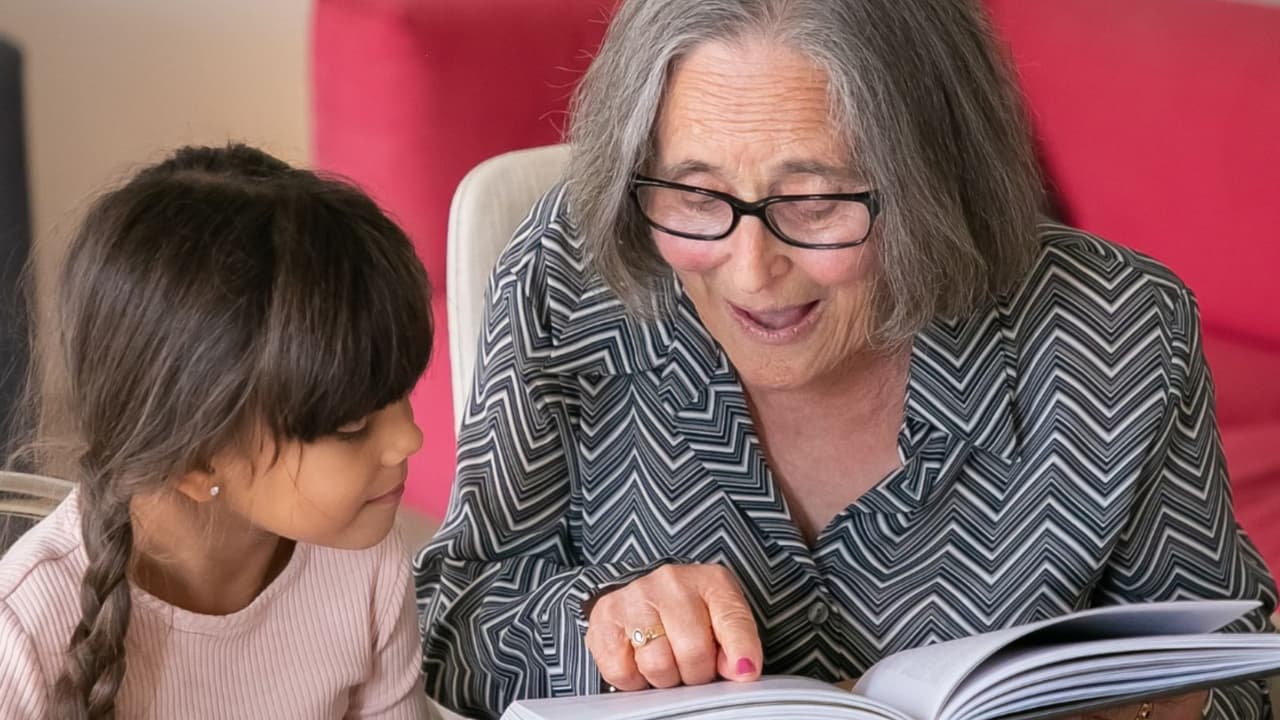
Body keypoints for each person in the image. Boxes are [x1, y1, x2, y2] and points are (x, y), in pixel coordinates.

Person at [413, 0, 1277, 718]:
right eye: (693, 195)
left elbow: (1242, 666)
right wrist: (597, 626)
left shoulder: (1116, 329)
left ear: (938, 181)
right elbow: (452, 616)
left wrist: (1159, 707)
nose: (752, 273)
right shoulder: (572, 278)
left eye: (818, 202)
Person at [0, 144, 439, 719]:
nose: (410, 439)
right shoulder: (25, 631)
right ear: (195, 461)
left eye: (400, 393)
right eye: (352, 425)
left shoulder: (362, 553)